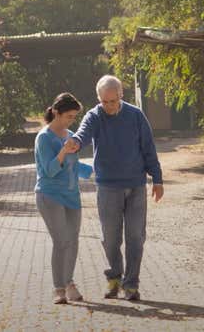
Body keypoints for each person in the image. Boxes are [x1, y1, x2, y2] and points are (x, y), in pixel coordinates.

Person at [66, 75, 163, 301]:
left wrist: (157, 179)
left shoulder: (135, 115)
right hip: (108, 186)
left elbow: (149, 148)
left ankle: (131, 284)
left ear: (121, 95)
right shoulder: (94, 116)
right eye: (105, 101)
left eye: (113, 101)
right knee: (110, 238)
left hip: (136, 185)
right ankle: (115, 277)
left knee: (135, 237)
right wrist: (76, 143)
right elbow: (83, 134)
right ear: (99, 98)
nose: (109, 106)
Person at [34, 92, 93, 304]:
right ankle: (59, 289)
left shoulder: (70, 135)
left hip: (71, 196)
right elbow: (49, 170)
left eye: (74, 117)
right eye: (68, 116)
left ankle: (69, 283)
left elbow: (74, 166)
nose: (71, 120)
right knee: (61, 241)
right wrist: (63, 151)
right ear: (56, 113)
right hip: (49, 195)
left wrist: (97, 171)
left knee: (73, 240)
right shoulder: (44, 137)